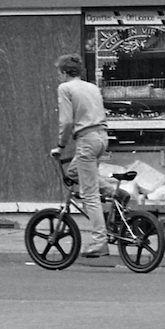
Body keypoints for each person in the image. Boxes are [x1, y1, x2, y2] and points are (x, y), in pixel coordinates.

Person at [52, 53, 110, 257]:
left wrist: (60, 146)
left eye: (59, 72)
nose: (58, 76)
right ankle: (113, 192)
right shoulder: (92, 87)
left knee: (89, 194)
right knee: (74, 171)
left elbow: (66, 121)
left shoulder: (65, 88)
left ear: (64, 72)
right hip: (102, 137)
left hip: (86, 140)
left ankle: (99, 241)